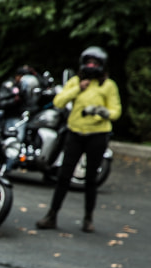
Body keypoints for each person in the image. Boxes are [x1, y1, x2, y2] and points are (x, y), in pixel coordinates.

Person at [36, 46, 121, 233]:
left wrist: (101, 113)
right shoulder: (76, 81)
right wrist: (77, 89)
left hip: (97, 135)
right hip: (75, 133)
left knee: (91, 178)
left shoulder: (108, 85)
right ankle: (52, 214)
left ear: (102, 66)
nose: (91, 66)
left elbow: (116, 111)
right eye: (88, 62)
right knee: (63, 176)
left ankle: (88, 218)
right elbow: (59, 102)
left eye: (95, 63)